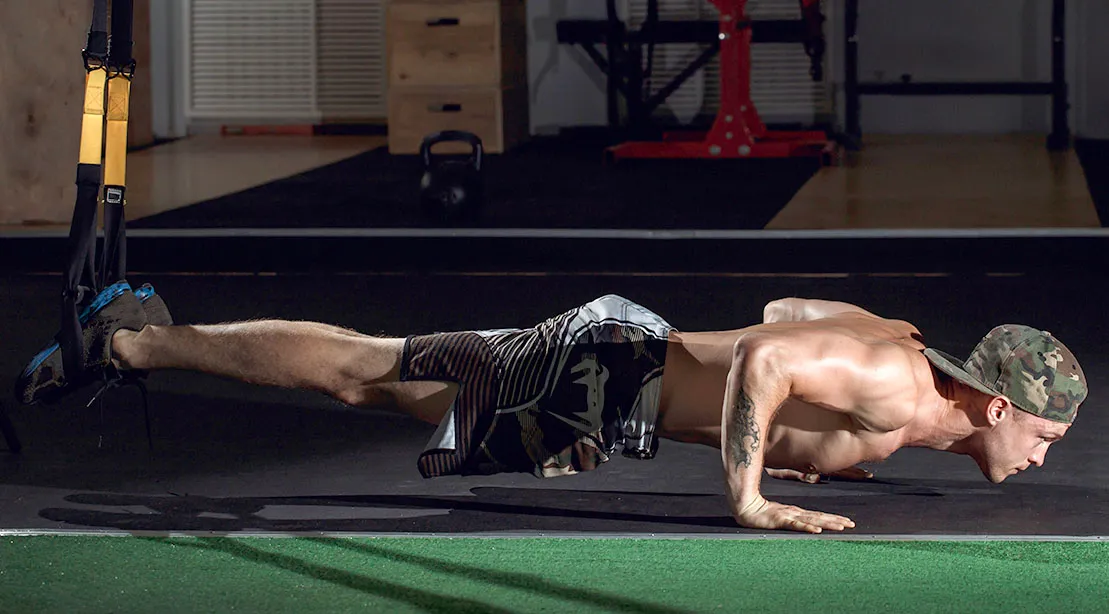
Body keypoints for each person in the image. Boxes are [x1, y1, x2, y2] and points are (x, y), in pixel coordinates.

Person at [16, 282, 1088, 534]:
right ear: (993, 403)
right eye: (1043, 432)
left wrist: (819, 447)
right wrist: (750, 490)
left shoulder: (898, 360)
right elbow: (765, 352)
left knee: (375, 377)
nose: (1045, 453)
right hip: (602, 372)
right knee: (364, 373)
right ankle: (128, 336)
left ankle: (140, 335)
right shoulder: (899, 383)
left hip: (613, 380)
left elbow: (784, 307)